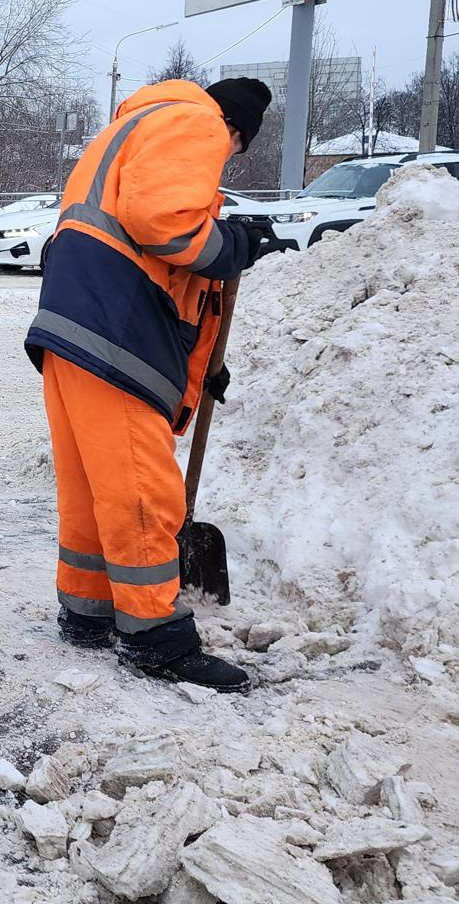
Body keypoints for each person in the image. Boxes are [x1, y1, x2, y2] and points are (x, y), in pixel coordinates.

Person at [24, 77, 280, 693]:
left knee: (92, 486)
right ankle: (156, 638)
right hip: (115, 329)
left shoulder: (131, 129)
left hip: (72, 324)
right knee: (142, 490)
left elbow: (171, 277)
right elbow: (162, 225)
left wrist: (203, 370)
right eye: (234, 145)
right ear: (235, 130)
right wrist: (233, 246)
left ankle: (87, 612)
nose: (225, 154)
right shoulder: (196, 122)